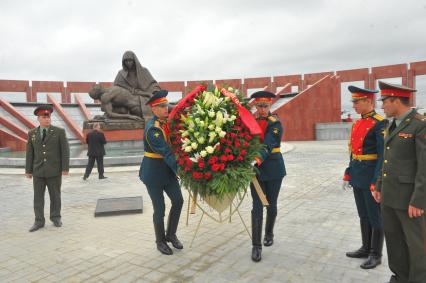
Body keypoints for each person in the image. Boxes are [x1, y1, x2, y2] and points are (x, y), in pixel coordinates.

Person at [373, 81, 426, 283]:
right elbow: (387, 160)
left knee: (416, 244)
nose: (382, 106)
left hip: (409, 200)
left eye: (385, 101)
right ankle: (400, 276)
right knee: (394, 241)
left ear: (396, 100)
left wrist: (419, 200)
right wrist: (379, 186)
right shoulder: (391, 124)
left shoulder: (419, 124)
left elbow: (424, 166)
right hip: (389, 195)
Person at [342, 86, 385, 269]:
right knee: (363, 214)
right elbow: (353, 152)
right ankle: (365, 247)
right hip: (359, 174)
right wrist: (348, 172)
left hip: (371, 175)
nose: (355, 105)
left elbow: (383, 156)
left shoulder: (380, 123)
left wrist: (377, 181)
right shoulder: (357, 123)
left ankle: (376, 254)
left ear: (369, 101)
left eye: (357, 102)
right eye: (354, 102)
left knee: (375, 216)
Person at [139, 90, 184, 255]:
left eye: (166, 105)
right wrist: (183, 171)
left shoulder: (166, 123)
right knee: (160, 208)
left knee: (178, 201)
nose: (166, 108)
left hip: (167, 172)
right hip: (153, 173)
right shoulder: (153, 129)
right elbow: (166, 152)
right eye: (161, 106)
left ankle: (171, 234)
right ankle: (160, 241)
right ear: (153, 109)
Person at [249, 91, 286, 262]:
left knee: (271, 204)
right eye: (259, 106)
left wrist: (256, 159)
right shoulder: (252, 122)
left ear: (270, 106)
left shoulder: (275, 123)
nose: (262, 109)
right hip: (255, 171)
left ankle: (269, 232)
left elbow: (269, 143)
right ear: (255, 106)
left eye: (265, 106)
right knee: (257, 206)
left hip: (273, 169)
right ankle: (256, 246)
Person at [25, 105, 70, 232]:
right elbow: (30, 153)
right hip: (38, 171)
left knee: (55, 196)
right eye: (44, 117)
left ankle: (56, 217)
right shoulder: (32, 133)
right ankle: (39, 221)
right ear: (38, 118)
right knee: (38, 197)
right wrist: (28, 171)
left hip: (54, 171)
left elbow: (65, 151)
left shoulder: (59, 132)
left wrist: (65, 168)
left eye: (48, 116)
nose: (47, 119)